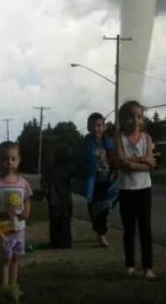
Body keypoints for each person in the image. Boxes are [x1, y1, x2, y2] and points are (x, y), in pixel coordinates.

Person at [115, 100, 156, 279]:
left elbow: (151, 165)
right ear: (122, 120)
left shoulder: (146, 138)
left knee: (145, 230)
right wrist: (143, 161)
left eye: (139, 117)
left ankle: (148, 267)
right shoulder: (120, 138)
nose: (136, 121)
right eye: (131, 117)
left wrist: (134, 162)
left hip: (144, 189)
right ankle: (130, 264)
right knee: (129, 230)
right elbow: (122, 163)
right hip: (126, 189)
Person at [0, 141, 32, 299]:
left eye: (13, 159)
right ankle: (3, 287)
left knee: (16, 257)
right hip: (3, 229)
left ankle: (14, 286)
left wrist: (26, 212)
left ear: (19, 160)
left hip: (19, 228)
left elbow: (27, 200)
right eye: (5, 159)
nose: (9, 162)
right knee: (5, 257)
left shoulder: (23, 183)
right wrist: (1, 212)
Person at [72, 112, 118, 248]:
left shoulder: (108, 142)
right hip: (92, 182)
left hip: (108, 180)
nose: (97, 129)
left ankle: (102, 233)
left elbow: (115, 159)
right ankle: (99, 232)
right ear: (88, 128)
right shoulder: (86, 144)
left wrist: (115, 170)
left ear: (104, 126)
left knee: (105, 208)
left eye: (99, 125)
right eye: (93, 126)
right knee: (94, 209)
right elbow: (78, 161)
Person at [41, 144, 72, 249]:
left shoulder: (50, 169)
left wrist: (45, 194)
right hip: (66, 200)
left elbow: (44, 184)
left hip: (54, 200)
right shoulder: (69, 169)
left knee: (54, 222)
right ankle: (66, 242)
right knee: (65, 221)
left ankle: (55, 242)